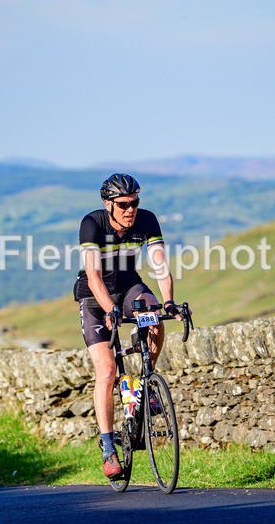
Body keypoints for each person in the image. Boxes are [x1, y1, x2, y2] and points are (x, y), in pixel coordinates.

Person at [74, 172, 181, 479]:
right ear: (108, 204)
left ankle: (146, 382)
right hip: (95, 298)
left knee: (155, 317)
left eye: (134, 202)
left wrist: (169, 301)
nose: (130, 209)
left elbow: (160, 265)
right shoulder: (92, 223)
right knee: (107, 371)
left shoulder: (147, 220)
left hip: (129, 288)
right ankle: (109, 448)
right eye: (123, 204)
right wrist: (109, 309)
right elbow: (93, 276)